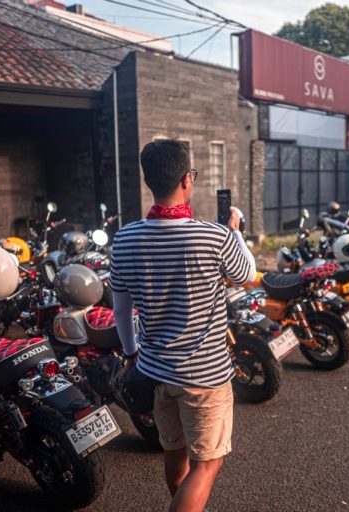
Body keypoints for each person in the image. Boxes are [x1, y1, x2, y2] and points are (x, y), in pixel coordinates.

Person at [109, 140, 256, 512]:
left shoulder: (124, 239)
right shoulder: (214, 236)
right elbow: (248, 274)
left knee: (174, 452)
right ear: (187, 180)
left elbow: (121, 310)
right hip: (205, 376)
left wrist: (131, 356)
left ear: (148, 181)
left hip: (155, 371)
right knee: (206, 465)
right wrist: (235, 230)